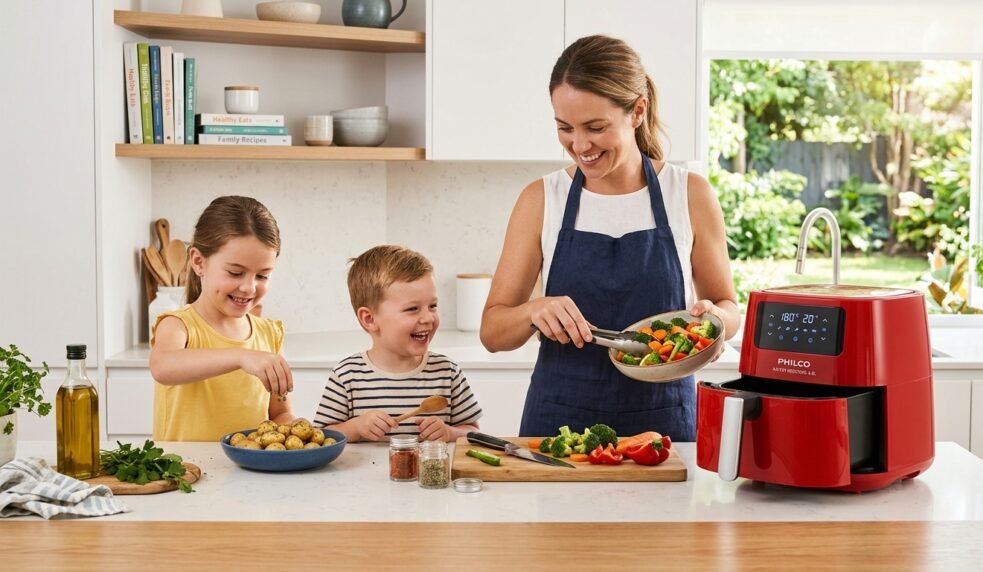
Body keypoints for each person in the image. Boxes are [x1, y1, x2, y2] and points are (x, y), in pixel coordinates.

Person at [480, 35, 740, 442]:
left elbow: (728, 306)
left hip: (664, 425)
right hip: (558, 428)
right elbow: (493, 332)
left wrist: (715, 322)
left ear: (637, 111)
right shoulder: (541, 199)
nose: (579, 145)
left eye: (595, 127)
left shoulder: (689, 193)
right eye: (564, 128)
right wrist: (534, 310)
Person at [149, 195, 294, 441]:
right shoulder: (178, 325)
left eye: (262, 276)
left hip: (249, 466)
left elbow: (280, 413)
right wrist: (241, 356)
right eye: (235, 272)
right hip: (184, 465)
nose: (249, 287)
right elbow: (162, 367)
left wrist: (296, 430)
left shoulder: (269, 333)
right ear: (198, 262)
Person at [313, 245, 483, 443]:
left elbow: (474, 433)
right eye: (412, 309)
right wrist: (356, 427)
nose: (428, 317)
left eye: (432, 306)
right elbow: (322, 436)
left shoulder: (447, 372)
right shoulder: (347, 376)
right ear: (370, 319)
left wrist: (449, 433)